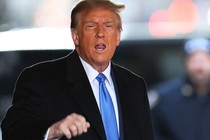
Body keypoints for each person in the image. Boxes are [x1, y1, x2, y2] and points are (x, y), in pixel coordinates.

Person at [1, 0, 154, 140]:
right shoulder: (40, 79)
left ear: (118, 36)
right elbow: (13, 131)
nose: (100, 33)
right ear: (76, 36)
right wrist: (51, 130)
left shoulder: (135, 85)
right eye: (91, 26)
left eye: (108, 26)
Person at [150, 38, 210, 140]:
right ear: (185, 63)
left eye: (205, 60)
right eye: (194, 60)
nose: (200, 67)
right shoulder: (165, 98)